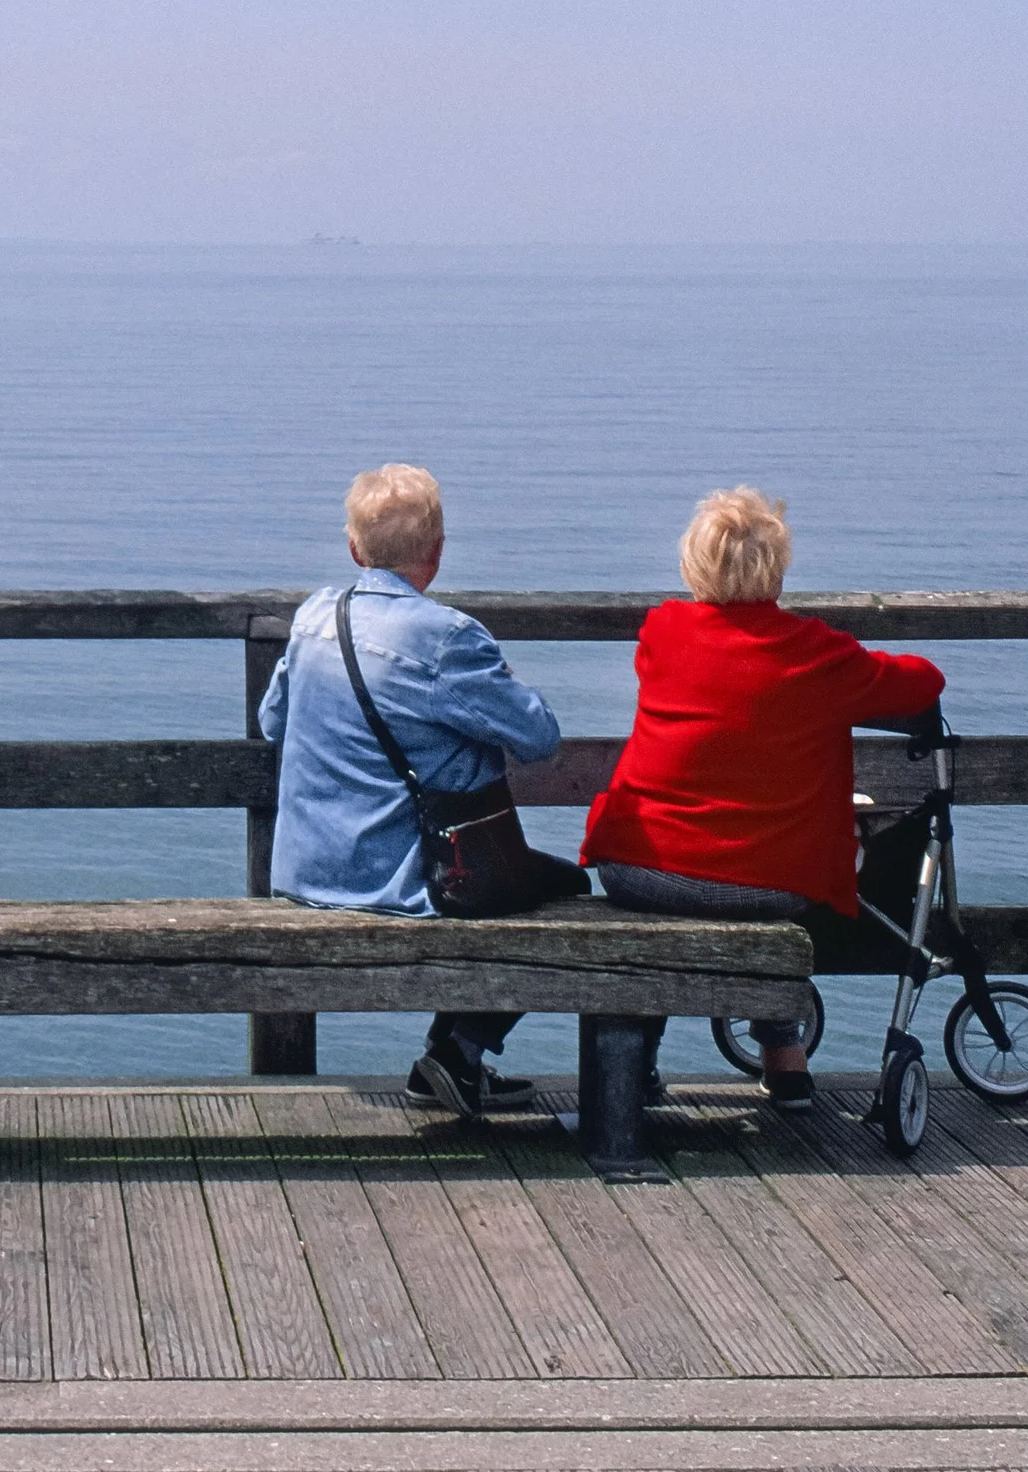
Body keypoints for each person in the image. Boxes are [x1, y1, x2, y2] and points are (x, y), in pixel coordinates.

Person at [583, 486, 944, 1110]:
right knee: (771, 886)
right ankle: (785, 1060)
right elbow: (920, 682)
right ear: (776, 569)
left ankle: (636, 1064)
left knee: (677, 915)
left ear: (694, 566)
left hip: (641, 868)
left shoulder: (663, 632)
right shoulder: (818, 655)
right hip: (770, 884)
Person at [261, 460, 564, 1118]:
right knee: (565, 900)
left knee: (526, 891)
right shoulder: (447, 639)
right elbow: (539, 737)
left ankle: (449, 1062)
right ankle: (458, 1053)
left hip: (307, 872)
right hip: (408, 881)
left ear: (352, 547)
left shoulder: (315, 616)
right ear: (437, 550)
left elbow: (272, 722)